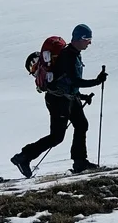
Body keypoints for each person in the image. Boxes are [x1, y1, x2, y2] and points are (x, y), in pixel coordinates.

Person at [12, 24, 108, 177]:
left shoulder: (74, 53)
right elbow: (73, 80)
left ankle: (80, 162)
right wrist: (96, 82)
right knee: (57, 137)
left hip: (68, 98)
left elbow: (66, 81)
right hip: (58, 101)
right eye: (87, 39)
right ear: (79, 39)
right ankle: (23, 157)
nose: (89, 43)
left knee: (82, 124)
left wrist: (81, 96)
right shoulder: (67, 56)